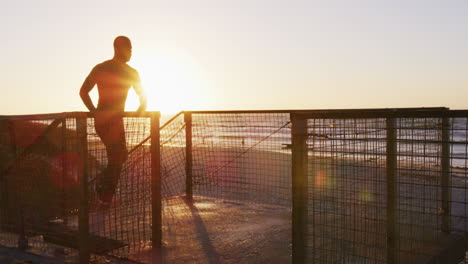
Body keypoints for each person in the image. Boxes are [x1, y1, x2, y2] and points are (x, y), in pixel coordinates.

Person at [79, 36, 147, 205]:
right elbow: (83, 91)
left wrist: (141, 108)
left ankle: (103, 191)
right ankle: (104, 193)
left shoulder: (132, 72)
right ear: (118, 48)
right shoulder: (101, 68)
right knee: (118, 155)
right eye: (129, 49)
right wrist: (94, 111)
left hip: (117, 121)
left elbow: (142, 95)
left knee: (119, 156)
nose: (131, 52)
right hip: (104, 121)